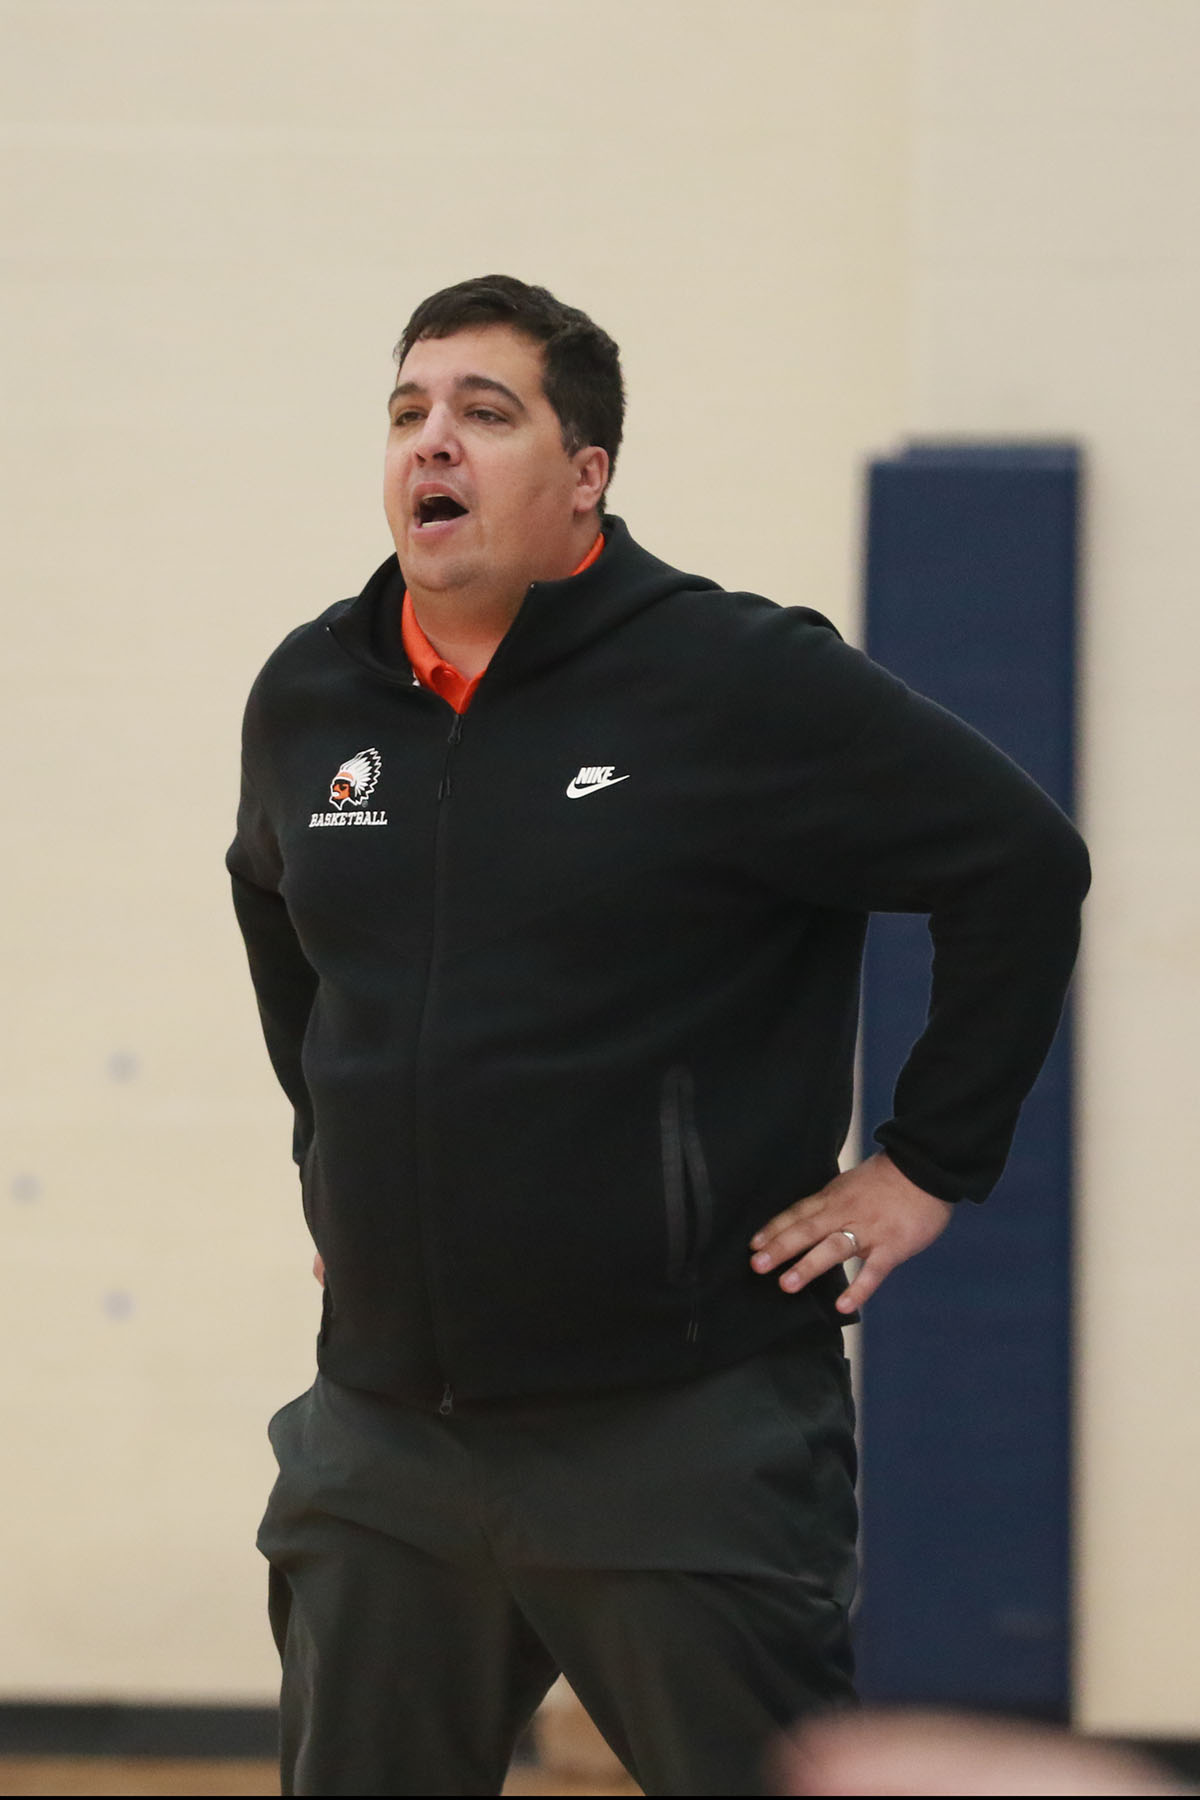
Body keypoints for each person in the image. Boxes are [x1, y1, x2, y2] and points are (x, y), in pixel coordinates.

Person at [227, 274, 1089, 1797]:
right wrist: (336, 1167)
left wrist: (927, 1163)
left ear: (587, 474)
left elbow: (1019, 867)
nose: (434, 441)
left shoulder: (732, 678)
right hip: (384, 1439)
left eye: (486, 413)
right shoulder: (313, 692)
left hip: (681, 1432)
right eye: (409, 411)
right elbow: (280, 921)